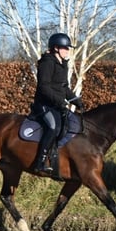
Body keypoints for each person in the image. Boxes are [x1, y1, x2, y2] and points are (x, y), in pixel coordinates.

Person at [30, 32, 83, 174]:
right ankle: (40, 162)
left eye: (68, 48)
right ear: (55, 48)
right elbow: (43, 87)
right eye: (65, 48)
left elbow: (64, 87)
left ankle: (57, 157)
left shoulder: (63, 64)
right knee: (53, 127)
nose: (67, 51)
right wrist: (60, 101)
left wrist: (75, 100)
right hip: (44, 105)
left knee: (69, 125)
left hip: (56, 104)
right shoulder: (47, 62)